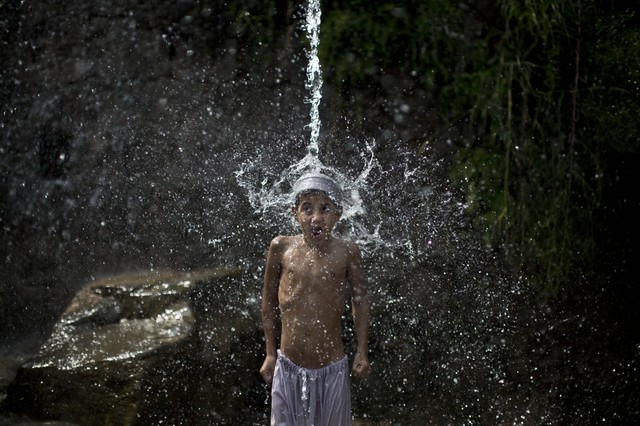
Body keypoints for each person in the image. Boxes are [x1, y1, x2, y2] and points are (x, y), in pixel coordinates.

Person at [260, 172, 371, 425]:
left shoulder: (347, 251)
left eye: (325, 208)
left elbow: (360, 301)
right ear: (294, 213)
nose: (316, 218)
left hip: (332, 368)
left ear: (338, 213)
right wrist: (270, 354)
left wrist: (362, 352)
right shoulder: (281, 247)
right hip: (288, 368)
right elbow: (268, 301)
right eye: (307, 208)